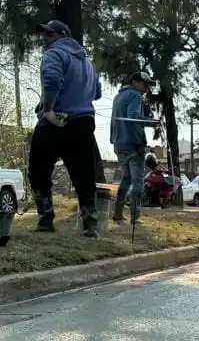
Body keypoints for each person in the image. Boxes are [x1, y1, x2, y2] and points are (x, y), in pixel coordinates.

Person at [28, 20, 102, 237]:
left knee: (38, 170)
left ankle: (45, 219)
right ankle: (90, 223)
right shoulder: (87, 63)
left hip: (57, 120)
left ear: (63, 34)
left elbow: (51, 80)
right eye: (43, 35)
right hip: (83, 121)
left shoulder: (54, 54)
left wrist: (48, 109)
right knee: (84, 175)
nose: (45, 39)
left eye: (49, 34)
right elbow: (97, 93)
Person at [109, 70, 153, 224]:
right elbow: (133, 117)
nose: (147, 88)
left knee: (126, 179)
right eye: (145, 84)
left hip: (119, 143)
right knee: (138, 181)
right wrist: (150, 120)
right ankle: (135, 217)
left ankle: (118, 214)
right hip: (134, 144)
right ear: (134, 83)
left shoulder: (118, 96)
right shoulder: (135, 95)